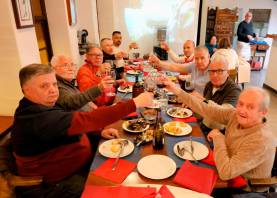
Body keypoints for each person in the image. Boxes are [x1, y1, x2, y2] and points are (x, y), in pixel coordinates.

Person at [12, 63, 153, 198]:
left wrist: (98, 133)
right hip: (56, 184)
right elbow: (88, 119)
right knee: (118, 188)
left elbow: (67, 128)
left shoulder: (41, 106)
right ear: (26, 90)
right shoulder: (36, 118)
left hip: (75, 166)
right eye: (44, 86)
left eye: (54, 84)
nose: (53, 90)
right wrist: (135, 103)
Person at [164, 79, 276, 193]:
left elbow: (226, 172)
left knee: (181, 186)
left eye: (250, 107)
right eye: (240, 104)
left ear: (263, 112)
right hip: (224, 164)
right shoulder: (235, 115)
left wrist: (218, 137)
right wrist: (176, 90)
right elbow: (208, 109)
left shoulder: (261, 140)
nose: (242, 110)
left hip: (244, 189)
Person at [193, 53, 241, 135]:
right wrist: (192, 105)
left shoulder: (234, 90)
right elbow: (204, 113)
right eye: (212, 71)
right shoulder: (209, 85)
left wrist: (203, 101)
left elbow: (223, 116)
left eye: (220, 71)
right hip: (204, 127)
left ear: (228, 72)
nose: (214, 75)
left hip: (219, 135)